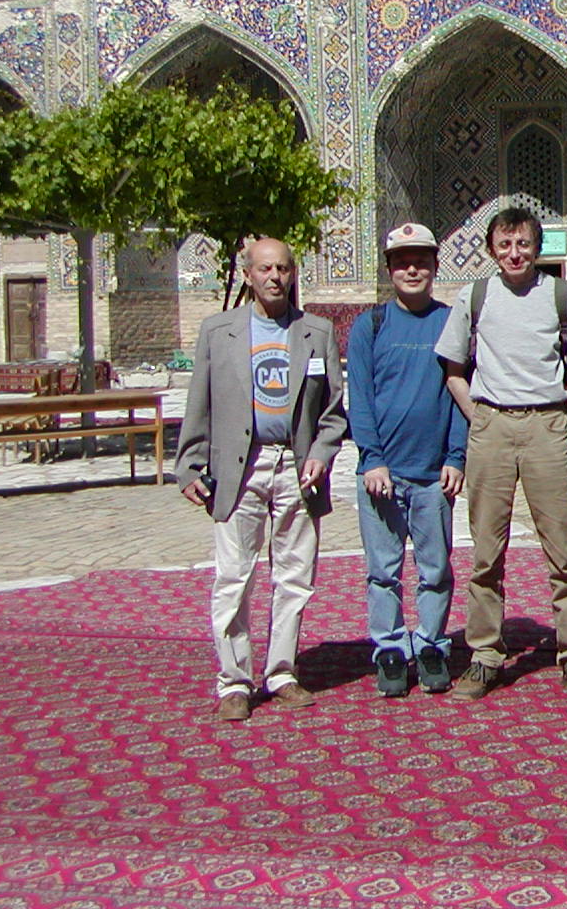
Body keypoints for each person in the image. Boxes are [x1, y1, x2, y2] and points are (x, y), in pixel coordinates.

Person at [433, 206, 567, 700]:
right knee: (486, 551)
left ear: (539, 248)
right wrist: (479, 415)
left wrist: (556, 418)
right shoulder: (475, 296)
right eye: (506, 245)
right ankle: (485, 654)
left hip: (545, 429)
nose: (515, 254)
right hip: (491, 427)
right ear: (491, 249)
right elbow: (453, 368)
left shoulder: (559, 295)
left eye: (524, 244)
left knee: (564, 551)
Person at [176, 237, 347, 722]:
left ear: (294, 274)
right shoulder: (219, 331)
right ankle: (234, 680)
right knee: (234, 576)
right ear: (248, 274)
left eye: (283, 269)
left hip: (296, 469)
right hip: (240, 467)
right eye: (265, 269)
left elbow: (333, 411)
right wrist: (188, 463)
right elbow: (199, 404)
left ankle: (282, 671)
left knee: (294, 575)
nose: (275, 277)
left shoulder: (315, 332)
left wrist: (321, 453)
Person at [348, 223, 469, 698]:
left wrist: (456, 456)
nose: (412, 269)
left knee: (435, 568)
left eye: (421, 260)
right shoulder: (370, 325)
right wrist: (371, 459)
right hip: (382, 474)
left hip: (432, 474)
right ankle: (391, 650)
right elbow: (359, 397)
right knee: (383, 569)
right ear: (390, 270)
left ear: (436, 267)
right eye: (402, 261)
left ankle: (433, 644)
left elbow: (462, 392)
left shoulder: (449, 322)